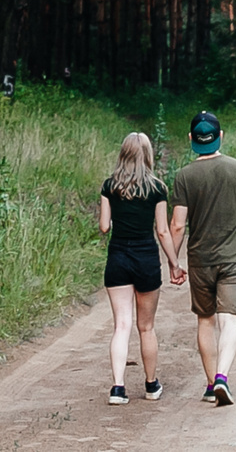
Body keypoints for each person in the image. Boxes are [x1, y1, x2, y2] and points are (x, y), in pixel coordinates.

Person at [167, 110, 236, 407]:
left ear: (191, 140)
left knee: (205, 321)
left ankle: (211, 384)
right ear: (220, 137)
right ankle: (223, 377)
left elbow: (178, 225)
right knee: (229, 321)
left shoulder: (184, 176)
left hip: (200, 260)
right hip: (233, 259)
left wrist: (174, 261)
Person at [96, 131, 178, 404]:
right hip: (146, 258)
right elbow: (163, 231)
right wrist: (174, 263)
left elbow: (104, 227)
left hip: (118, 257)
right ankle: (151, 385)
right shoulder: (157, 188)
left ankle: (118, 388)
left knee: (122, 325)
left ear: (123, 154)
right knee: (146, 327)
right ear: (147, 155)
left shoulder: (109, 186)